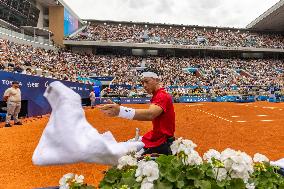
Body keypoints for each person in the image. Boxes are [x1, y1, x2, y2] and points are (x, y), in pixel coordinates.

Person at [98, 69, 175, 155]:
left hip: (160, 142)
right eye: (142, 83)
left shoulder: (162, 95)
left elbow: (150, 114)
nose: (144, 85)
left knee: (125, 155)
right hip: (156, 138)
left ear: (157, 80)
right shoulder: (158, 95)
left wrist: (120, 111)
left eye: (146, 81)